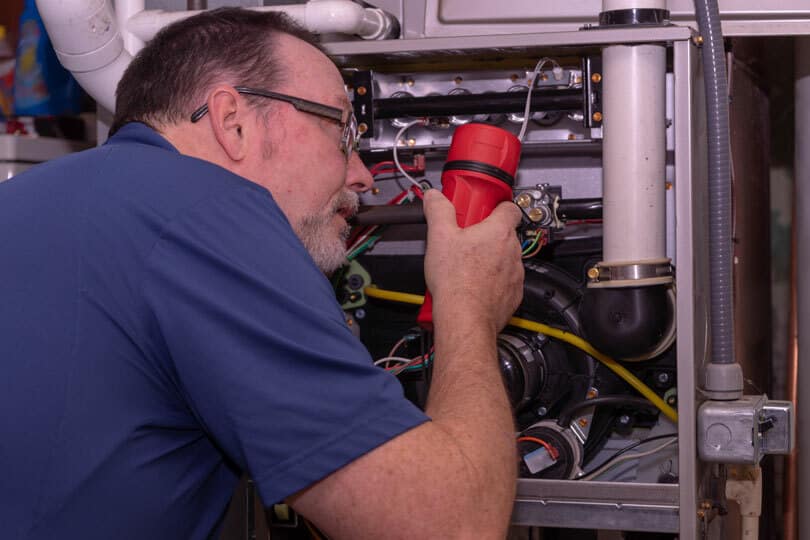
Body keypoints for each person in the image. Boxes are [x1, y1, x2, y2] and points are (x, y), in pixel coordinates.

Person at [0, 7, 524, 540]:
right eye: (342, 130)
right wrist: (468, 303)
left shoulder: (25, 201)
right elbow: (452, 527)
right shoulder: (209, 211)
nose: (363, 176)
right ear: (234, 122)